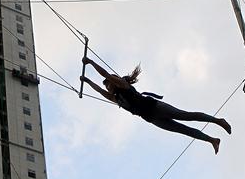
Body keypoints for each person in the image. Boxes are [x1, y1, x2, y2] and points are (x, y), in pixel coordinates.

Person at [80, 57, 231, 154]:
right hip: (151, 118)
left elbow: (105, 74)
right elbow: (100, 91)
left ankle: (218, 121)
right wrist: (87, 81)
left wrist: (91, 62)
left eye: (109, 84)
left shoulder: (123, 85)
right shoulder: (117, 99)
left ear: (114, 81)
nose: (107, 87)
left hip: (155, 107)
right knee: (183, 130)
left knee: (186, 116)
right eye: (107, 86)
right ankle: (212, 140)